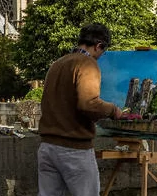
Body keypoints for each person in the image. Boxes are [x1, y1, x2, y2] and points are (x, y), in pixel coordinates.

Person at [37, 23, 122, 196]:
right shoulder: (88, 65)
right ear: (99, 45)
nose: (100, 57)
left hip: (47, 147)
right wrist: (113, 110)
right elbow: (89, 104)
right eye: (102, 52)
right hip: (74, 148)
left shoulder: (58, 64)